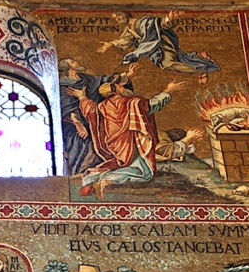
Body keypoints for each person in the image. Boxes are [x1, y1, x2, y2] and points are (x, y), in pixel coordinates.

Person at [67, 75, 199, 198]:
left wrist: (82, 97)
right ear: (116, 90)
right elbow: (152, 104)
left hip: (114, 145)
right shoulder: (131, 103)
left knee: (117, 164)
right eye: (121, 86)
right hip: (130, 143)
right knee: (144, 172)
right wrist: (168, 90)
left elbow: (90, 110)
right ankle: (107, 180)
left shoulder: (102, 107)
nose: (124, 88)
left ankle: (91, 180)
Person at [98, 11, 219, 82]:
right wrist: (110, 44)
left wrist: (169, 18)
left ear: (125, 13)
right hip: (153, 50)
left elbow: (159, 24)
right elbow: (125, 40)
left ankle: (202, 68)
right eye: (116, 18)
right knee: (178, 60)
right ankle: (199, 59)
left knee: (169, 64)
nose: (118, 19)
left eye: (119, 15)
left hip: (161, 44)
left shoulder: (143, 21)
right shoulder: (128, 29)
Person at [58, 58, 108, 175]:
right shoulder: (64, 85)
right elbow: (68, 107)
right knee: (84, 143)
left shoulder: (84, 79)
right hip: (73, 124)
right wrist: (78, 124)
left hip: (90, 119)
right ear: (69, 68)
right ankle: (81, 171)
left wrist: (127, 76)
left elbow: (102, 80)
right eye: (73, 62)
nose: (77, 62)